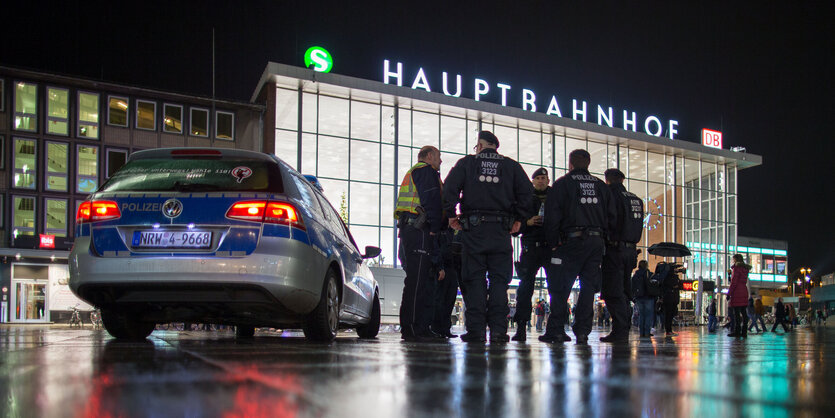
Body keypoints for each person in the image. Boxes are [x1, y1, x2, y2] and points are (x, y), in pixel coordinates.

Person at [443, 130, 534, 343]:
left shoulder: (467, 163)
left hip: (473, 230)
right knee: (499, 281)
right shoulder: (511, 166)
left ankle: (476, 331)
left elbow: (449, 189)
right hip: (501, 231)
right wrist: (519, 219)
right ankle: (498, 331)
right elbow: (527, 193)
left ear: (481, 145)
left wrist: (450, 215)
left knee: (474, 279)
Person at [539, 149, 616, 345]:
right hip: (596, 243)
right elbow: (612, 217)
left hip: (570, 241)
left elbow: (552, 216)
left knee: (561, 287)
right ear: (588, 164)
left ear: (570, 164)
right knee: (588, 288)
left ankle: (556, 330)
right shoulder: (601, 186)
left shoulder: (563, 184)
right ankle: (582, 332)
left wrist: (553, 242)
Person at [396, 146, 445, 342]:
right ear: (430, 156)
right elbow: (431, 200)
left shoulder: (414, 172)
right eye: (439, 157)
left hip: (411, 229)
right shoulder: (425, 171)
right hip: (419, 229)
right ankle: (412, 328)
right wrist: (434, 226)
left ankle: (420, 327)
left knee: (420, 281)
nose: (440, 161)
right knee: (416, 282)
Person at [600, 168, 644, 343]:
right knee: (625, 290)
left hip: (614, 249)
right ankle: (623, 327)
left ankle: (619, 329)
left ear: (607, 180)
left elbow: (609, 220)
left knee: (612, 290)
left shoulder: (610, 195)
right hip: (631, 249)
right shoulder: (636, 199)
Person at [511, 168, 552, 341]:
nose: (541, 181)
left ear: (548, 180)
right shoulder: (525, 197)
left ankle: (555, 328)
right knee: (525, 288)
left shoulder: (555, 197)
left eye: (544, 178)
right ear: (533, 181)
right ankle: (521, 326)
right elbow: (514, 227)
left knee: (556, 289)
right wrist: (527, 222)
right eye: (538, 178)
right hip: (530, 247)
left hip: (550, 247)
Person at [430, 227, 463, 338]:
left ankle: (445, 329)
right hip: (443, 268)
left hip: (452, 269)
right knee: (440, 300)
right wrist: (439, 267)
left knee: (449, 300)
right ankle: (437, 329)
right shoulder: (441, 230)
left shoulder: (454, 231)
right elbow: (436, 249)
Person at [727, 254, 751, 338]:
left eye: (733, 259)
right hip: (744, 291)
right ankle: (744, 331)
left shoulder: (736, 269)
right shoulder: (745, 269)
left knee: (736, 314)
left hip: (737, 292)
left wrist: (729, 294)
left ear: (736, 260)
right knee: (744, 313)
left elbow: (734, 283)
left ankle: (737, 331)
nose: (733, 261)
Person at [631, 260, 655, 338]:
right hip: (648, 297)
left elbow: (632, 286)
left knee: (641, 315)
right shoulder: (648, 274)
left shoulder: (636, 275)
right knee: (648, 315)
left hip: (639, 297)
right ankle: (647, 332)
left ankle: (641, 332)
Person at [660, 264, 681, 337]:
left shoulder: (669, 277)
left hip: (672, 299)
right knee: (669, 315)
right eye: (675, 269)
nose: (677, 270)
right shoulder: (669, 278)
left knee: (670, 315)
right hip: (670, 299)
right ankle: (668, 330)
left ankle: (669, 330)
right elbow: (676, 285)